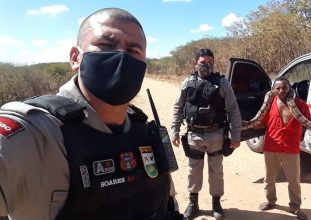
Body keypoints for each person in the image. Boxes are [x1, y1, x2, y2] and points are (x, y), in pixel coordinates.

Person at [0, 8, 183, 220]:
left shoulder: (144, 128)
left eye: (134, 51)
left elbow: (167, 203)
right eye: (106, 45)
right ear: (75, 57)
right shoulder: (34, 133)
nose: (121, 57)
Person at [171, 48, 242, 219]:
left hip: (216, 134)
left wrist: (236, 135)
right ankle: (193, 203)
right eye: (203, 62)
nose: (207, 65)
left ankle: (216, 203)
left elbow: (233, 109)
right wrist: (174, 129)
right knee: (193, 170)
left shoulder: (222, 83)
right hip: (194, 135)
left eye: (210, 62)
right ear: (195, 63)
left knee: (216, 171)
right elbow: (178, 107)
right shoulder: (187, 83)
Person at [244, 76, 311, 220]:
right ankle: (270, 201)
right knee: (269, 178)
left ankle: (295, 207)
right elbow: (260, 123)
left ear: (290, 88)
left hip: (291, 148)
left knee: (293, 181)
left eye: (284, 88)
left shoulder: (299, 104)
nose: (281, 91)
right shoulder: (269, 104)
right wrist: (246, 123)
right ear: (273, 89)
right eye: (278, 88)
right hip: (271, 146)